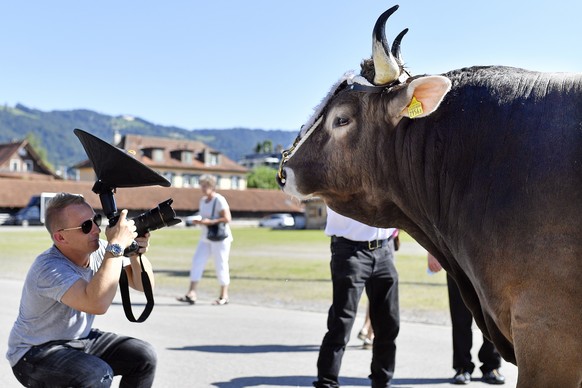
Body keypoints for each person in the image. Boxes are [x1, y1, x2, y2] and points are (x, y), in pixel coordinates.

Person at [6, 192, 157, 387]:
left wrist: (135, 253)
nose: (96, 229)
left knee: (144, 356)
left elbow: (143, 286)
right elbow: (97, 304)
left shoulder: (103, 249)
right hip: (33, 353)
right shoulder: (48, 268)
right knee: (97, 374)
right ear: (60, 237)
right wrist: (117, 245)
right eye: (86, 226)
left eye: (96, 220)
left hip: (78, 339)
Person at [313, 207, 399, 388]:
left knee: (388, 324)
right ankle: (327, 383)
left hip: (384, 250)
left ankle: (382, 382)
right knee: (341, 323)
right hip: (350, 251)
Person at [427, 253, 505, 385]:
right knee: (460, 316)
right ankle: (462, 367)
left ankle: (491, 366)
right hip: (457, 258)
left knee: (491, 316)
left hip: (490, 256)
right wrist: (432, 252)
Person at [177, 174, 233, 305]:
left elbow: (227, 218)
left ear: (212, 186)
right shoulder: (202, 201)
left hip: (220, 238)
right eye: (201, 185)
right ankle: (191, 293)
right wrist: (200, 221)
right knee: (197, 261)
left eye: (205, 186)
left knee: (221, 264)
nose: (203, 188)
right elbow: (204, 216)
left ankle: (224, 296)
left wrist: (210, 222)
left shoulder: (219, 199)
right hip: (206, 237)